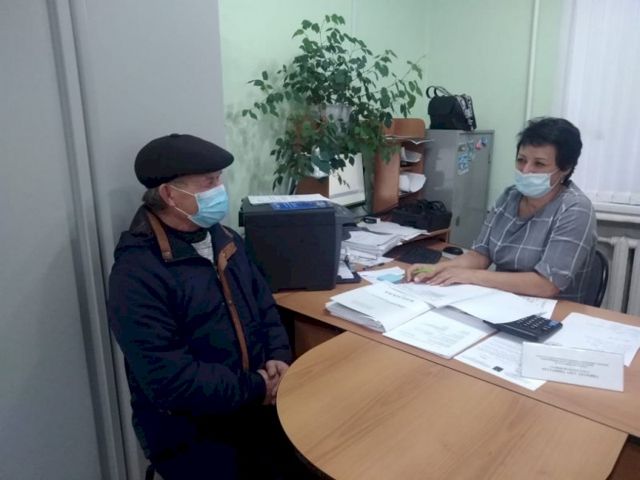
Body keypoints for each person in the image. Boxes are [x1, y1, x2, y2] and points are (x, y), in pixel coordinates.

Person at [107, 133, 308, 479]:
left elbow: (264, 306)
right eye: (209, 182)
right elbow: (171, 380)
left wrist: (278, 355)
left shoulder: (226, 240)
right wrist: (257, 387)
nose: (220, 190)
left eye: (219, 179)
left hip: (253, 408)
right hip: (192, 431)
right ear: (170, 194)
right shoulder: (138, 272)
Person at [407, 117, 597, 303]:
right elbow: (481, 254)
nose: (526, 170)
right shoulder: (510, 197)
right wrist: (440, 269)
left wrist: (469, 276)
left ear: (565, 168)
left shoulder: (575, 209)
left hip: (551, 313)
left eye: (539, 164)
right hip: (502, 302)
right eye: (521, 160)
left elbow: (546, 285)